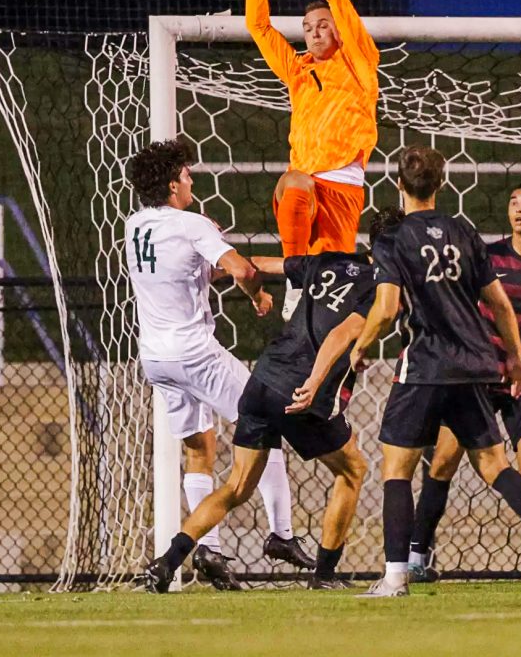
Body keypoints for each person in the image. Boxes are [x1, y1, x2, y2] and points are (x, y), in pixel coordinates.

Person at [343, 146, 521, 597]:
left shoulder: (393, 237)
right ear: (441, 185)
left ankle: (396, 575)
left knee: (396, 469)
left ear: (399, 186)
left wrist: (359, 348)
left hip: (424, 367)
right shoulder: (464, 231)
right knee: (496, 466)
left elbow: (386, 309)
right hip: (476, 365)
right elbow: (499, 302)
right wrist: (514, 358)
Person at [143, 207, 408, 593]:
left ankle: (166, 562)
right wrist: (315, 382)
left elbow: (268, 264)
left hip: (262, 380)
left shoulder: (330, 261)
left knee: (235, 488)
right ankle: (324, 574)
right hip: (300, 390)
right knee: (353, 470)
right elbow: (339, 336)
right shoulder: (381, 291)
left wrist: (222, 270)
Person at [125, 140, 314, 591]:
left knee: (200, 450)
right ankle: (281, 534)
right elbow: (245, 271)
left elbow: (186, 271)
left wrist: (205, 251)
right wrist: (259, 295)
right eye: (187, 176)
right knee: (266, 420)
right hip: (194, 353)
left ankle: (208, 548)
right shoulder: (192, 225)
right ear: (173, 185)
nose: (192, 181)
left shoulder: (134, 226)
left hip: (156, 357)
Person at [408, 182, 521, 583]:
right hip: (479, 372)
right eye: (513, 202)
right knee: (442, 461)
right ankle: (417, 555)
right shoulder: (487, 256)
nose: (519, 209)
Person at [245, 0, 380, 320]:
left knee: (333, 298)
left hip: (342, 189)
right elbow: (259, 27)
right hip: (303, 190)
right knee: (295, 180)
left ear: (339, 28)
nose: (314, 32)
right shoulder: (298, 71)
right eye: (307, 28)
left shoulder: (358, 62)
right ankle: (293, 280)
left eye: (322, 25)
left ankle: (335, 368)